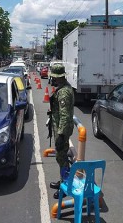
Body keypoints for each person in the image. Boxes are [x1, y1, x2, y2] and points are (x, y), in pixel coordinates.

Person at [48, 63, 75, 199]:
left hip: (62, 130)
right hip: (61, 127)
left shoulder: (64, 92)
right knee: (61, 157)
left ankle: (66, 185)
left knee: (62, 157)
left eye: (53, 77)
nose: (52, 79)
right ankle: (63, 180)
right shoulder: (63, 88)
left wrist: (61, 135)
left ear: (58, 77)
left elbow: (65, 115)